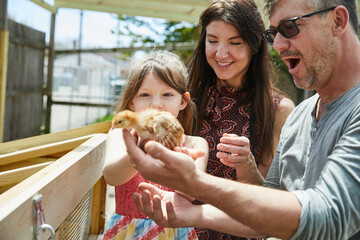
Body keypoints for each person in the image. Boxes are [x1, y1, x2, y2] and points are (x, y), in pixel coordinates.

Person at [125, 0, 360, 239]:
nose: (277, 45)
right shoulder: (301, 114)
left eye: (289, 28)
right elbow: (267, 215)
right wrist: (195, 214)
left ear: (338, 21)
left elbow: (330, 217)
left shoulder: (286, 109)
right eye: (274, 34)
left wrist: (195, 183)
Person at [184, 0, 294, 239]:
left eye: (235, 43)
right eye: (212, 41)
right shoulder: (184, 98)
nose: (221, 54)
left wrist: (247, 166)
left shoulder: (278, 111)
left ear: (254, 45)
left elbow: (272, 203)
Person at [102, 50, 209, 240]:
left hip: (174, 231)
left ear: (183, 101)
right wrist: (138, 150)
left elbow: (191, 194)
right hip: (128, 231)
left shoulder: (195, 144)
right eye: (144, 94)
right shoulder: (122, 134)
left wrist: (183, 162)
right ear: (132, 102)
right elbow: (112, 176)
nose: (156, 104)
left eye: (167, 94)